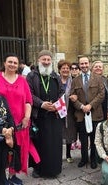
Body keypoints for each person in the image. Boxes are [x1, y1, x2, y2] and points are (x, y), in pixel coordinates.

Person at [0, 53, 40, 185]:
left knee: (17, 150)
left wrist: (27, 117)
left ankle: (12, 176)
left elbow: (28, 101)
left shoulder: (22, 80)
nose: (12, 64)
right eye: (10, 62)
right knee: (2, 150)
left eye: (15, 62)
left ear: (18, 65)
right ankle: (2, 177)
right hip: (0, 122)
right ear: (4, 63)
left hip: (20, 122)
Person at [26, 49, 64, 177]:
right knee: (40, 143)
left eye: (48, 60)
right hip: (39, 116)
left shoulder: (55, 76)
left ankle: (54, 169)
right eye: (44, 59)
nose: (46, 62)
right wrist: (42, 104)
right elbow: (29, 94)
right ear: (39, 60)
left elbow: (62, 92)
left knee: (54, 143)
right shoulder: (31, 76)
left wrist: (56, 105)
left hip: (54, 116)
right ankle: (39, 169)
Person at [70, 55, 105, 169]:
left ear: (89, 64)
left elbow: (101, 94)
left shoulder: (98, 78)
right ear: (79, 65)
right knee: (83, 138)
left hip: (95, 113)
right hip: (81, 114)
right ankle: (84, 158)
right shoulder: (75, 80)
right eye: (82, 64)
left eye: (86, 63)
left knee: (95, 138)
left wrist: (90, 105)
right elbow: (72, 96)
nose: (84, 66)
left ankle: (93, 159)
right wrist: (81, 106)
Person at [57, 59, 77, 163]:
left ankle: (68, 154)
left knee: (69, 132)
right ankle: (57, 154)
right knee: (58, 133)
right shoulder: (55, 80)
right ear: (59, 70)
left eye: (67, 68)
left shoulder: (73, 81)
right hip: (58, 110)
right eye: (63, 68)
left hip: (70, 110)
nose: (65, 70)